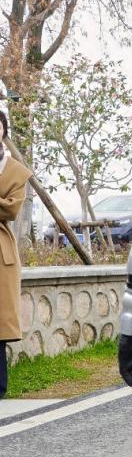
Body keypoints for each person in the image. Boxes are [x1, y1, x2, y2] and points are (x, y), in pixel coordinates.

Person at [0, 109, 31, 399]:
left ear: (4, 132)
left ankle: (0, 385)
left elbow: (11, 208)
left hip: (1, 251)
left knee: (0, 323)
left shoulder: (16, 171)